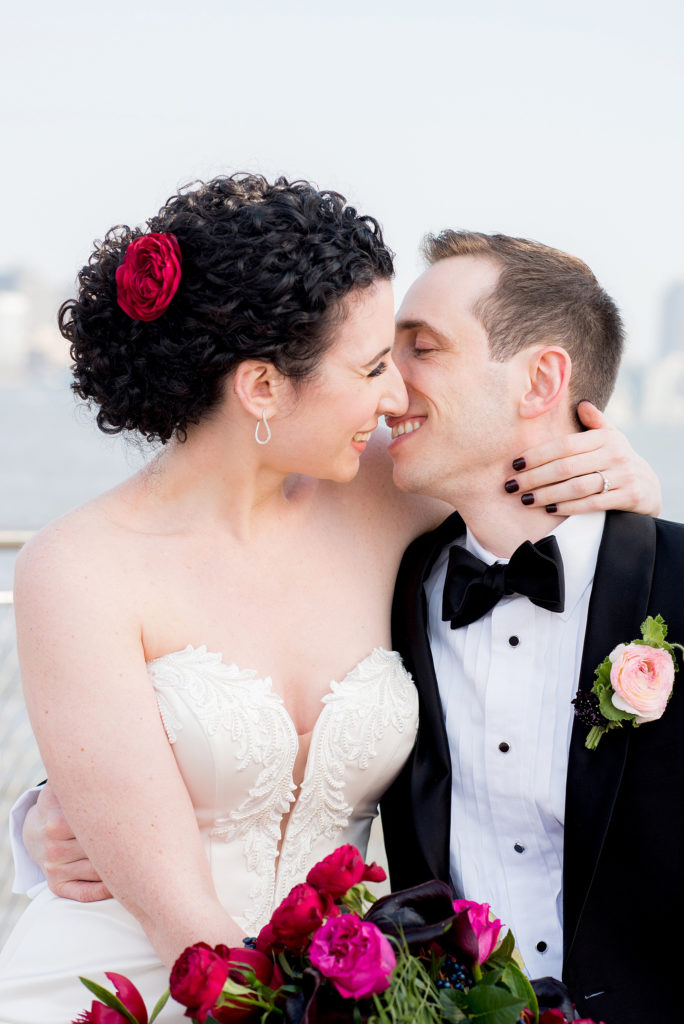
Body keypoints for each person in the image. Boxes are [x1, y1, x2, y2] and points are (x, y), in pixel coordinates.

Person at [0, 175, 658, 1023]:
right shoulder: (77, 565)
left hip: (334, 991)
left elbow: (515, 463)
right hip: (135, 983)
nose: (395, 397)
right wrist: (41, 820)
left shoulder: (386, 491)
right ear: (264, 390)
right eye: (374, 364)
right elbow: (188, 933)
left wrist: (626, 476)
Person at [379, 230, 684, 1024]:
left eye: (423, 348)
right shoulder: (392, 587)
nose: (386, 382)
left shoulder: (678, 579)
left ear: (540, 379)